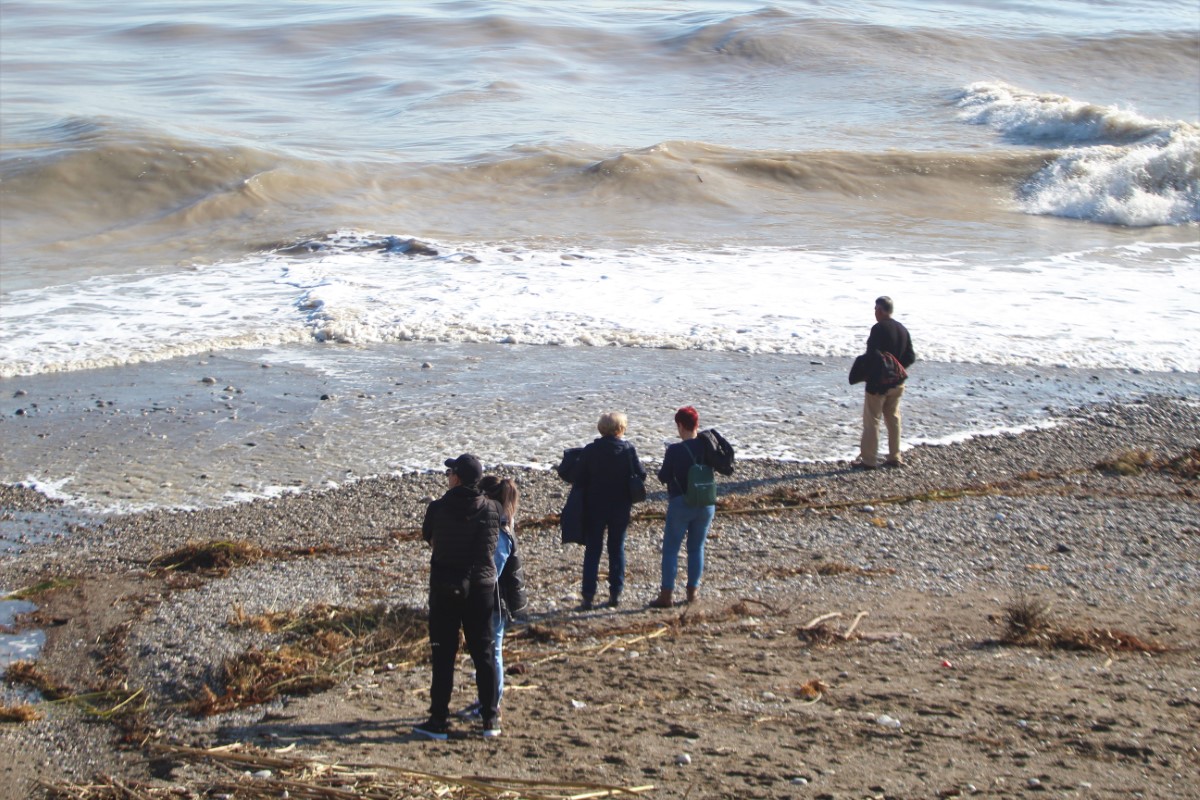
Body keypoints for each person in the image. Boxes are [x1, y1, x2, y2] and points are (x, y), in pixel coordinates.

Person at [414, 453, 503, 740]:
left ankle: (439, 719)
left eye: (451, 472)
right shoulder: (492, 508)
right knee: (484, 653)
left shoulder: (438, 508)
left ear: (458, 477)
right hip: (481, 587)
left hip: (446, 585)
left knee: (443, 654)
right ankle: (491, 718)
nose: (448, 476)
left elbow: (429, 538)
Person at [457, 475, 526, 721]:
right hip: (496, 599)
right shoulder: (502, 522)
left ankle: (491, 704)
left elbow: (492, 570)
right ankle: (487, 700)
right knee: (489, 652)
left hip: (495, 602)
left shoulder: (500, 528)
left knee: (492, 652)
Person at [569, 411, 646, 610]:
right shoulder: (628, 449)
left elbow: (578, 477)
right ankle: (616, 593)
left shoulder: (591, 450)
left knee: (593, 549)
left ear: (601, 429)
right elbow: (641, 474)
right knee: (616, 547)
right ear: (621, 429)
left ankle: (588, 596)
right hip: (621, 505)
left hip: (595, 505)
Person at [651, 406, 717, 608]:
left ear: (680, 425)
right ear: (697, 424)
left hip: (681, 502)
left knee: (671, 549)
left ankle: (666, 595)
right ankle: (692, 593)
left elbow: (664, 476)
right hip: (706, 502)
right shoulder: (708, 446)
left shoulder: (675, 450)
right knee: (697, 547)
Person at [853, 296, 916, 470]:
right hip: (898, 382)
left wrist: (871, 374)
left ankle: (869, 460)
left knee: (872, 419)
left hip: (879, 383)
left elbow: (872, 355)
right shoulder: (902, 329)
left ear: (880, 310)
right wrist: (897, 369)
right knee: (893, 418)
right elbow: (911, 356)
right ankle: (894, 456)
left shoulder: (878, 328)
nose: (875, 312)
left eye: (875, 309)